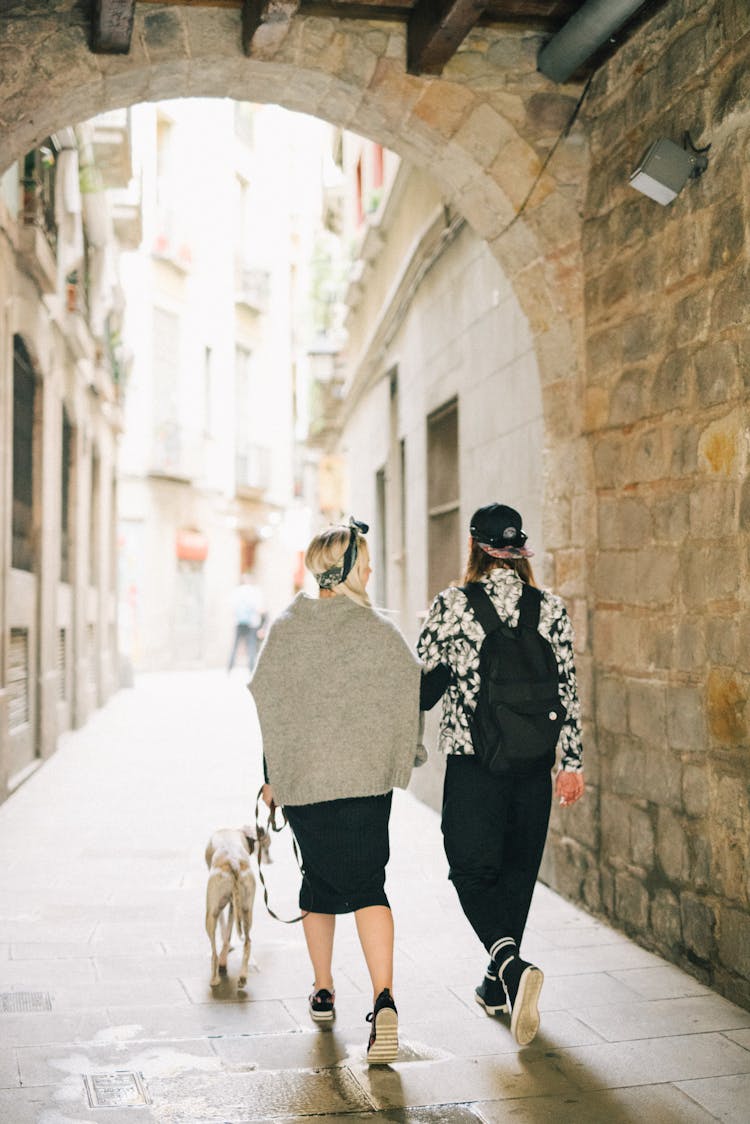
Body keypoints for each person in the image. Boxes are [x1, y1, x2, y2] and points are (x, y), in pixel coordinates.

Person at [248, 518, 422, 1065]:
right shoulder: (377, 631)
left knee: (317, 880)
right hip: (366, 783)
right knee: (371, 884)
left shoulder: (287, 627)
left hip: (306, 783)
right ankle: (385, 1002)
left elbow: (268, 699)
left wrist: (274, 774)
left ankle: (323, 990)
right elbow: (410, 685)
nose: (371, 568)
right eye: (365, 560)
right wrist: (401, 754)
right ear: (348, 569)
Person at [417, 503, 585, 1047]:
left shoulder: (452, 605)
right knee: (517, 872)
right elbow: (567, 690)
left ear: (475, 547)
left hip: (474, 763)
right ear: (518, 551)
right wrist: (572, 764)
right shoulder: (551, 607)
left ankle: (509, 968)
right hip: (535, 765)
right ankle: (496, 984)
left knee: (469, 870)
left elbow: (421, 688)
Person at [227, 573, 265, 674]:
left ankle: (229, 668)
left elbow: (232, 607)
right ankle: (251, 669)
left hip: (239, 622)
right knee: (251, 646)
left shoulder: (237, 591)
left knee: (235, 646)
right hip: (252, 623)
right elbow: (260, 609)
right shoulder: (255, 591)